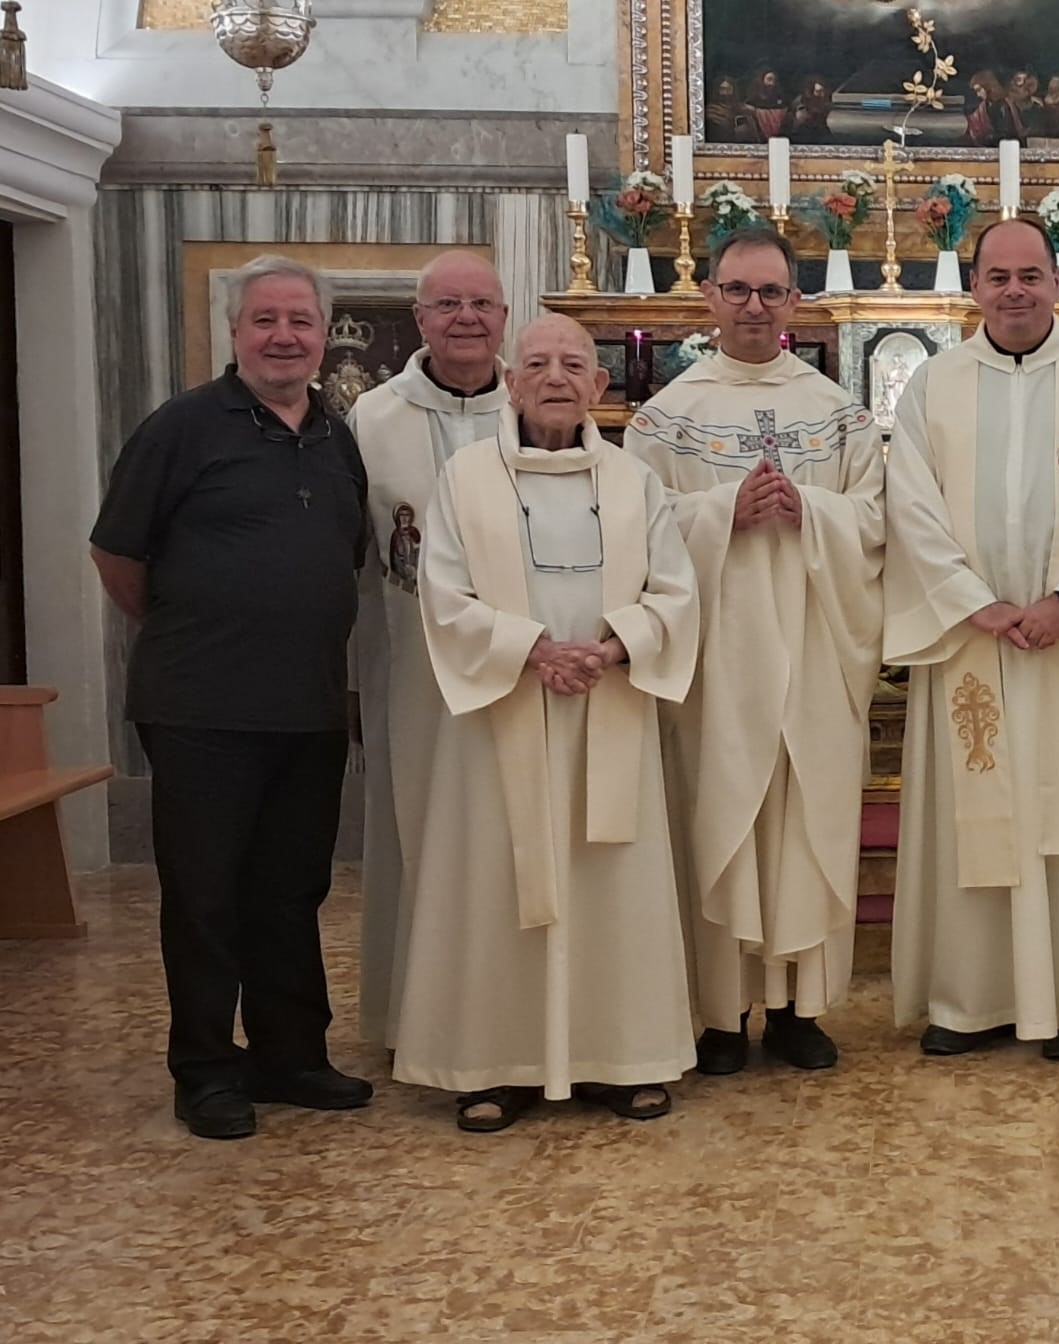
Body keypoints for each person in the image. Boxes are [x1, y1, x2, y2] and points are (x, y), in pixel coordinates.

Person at [391, 314, 702, 1132]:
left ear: (600, 388)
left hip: (611, 702)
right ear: (512, 379)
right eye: (538, 363)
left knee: (612, 882)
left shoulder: (636, 482)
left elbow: (675, 591)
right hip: (505, 710)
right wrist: (531, 652)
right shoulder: (464, 478)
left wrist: (611, 648)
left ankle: (622, 1056)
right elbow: (443, 593)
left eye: (573, 364)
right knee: (497, 884)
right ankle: (491, 1065)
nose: (557, 377)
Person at [90, 254, 372, 1139]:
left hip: (311, 706)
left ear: (324, 337)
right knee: (205, 896)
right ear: (235, 332)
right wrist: (195, 631)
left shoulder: (336, 432)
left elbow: (347, 554)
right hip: (200, 709)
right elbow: (117, 554)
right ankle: (208, 1069)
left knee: (291, 892)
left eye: (300, 320)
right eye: (265, 320)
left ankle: (291, 1056)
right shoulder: (181, 427)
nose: (284, 335)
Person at [885, 217, 1059, 1061]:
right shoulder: (933, 385)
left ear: (1057, 283)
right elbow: (910, 503)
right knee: (976, 818)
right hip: (973, 639)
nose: (1014, 290)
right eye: (997, 276)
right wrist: (976, 603)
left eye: (1030, 275)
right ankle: (970, 1001)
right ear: (973, 287)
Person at [626, 228, 884, 1076]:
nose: (754, 307)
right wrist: (718, 513)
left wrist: (810, 508)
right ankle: (719, 1012)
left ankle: (797, 1007)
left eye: (771, 292)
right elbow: (633, 528)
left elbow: (878, 525)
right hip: (716, 661)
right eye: (737, 290)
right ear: (707, 295)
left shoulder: (836, 411)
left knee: (803, 822)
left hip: (813, 647)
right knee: (720, 818)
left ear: (796, 303)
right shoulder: (667, 415)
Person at [348, 249, 511, 1050]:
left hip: (522, 667)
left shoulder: (537, 405)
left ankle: (513, 1017)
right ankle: (411, 1019)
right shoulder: (372, 419)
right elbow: (353, 556)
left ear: (504, 317)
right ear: (419, 320)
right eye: (447, 306)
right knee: (414, 826)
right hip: (411, 665)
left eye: (481, 304)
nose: (466, 320)